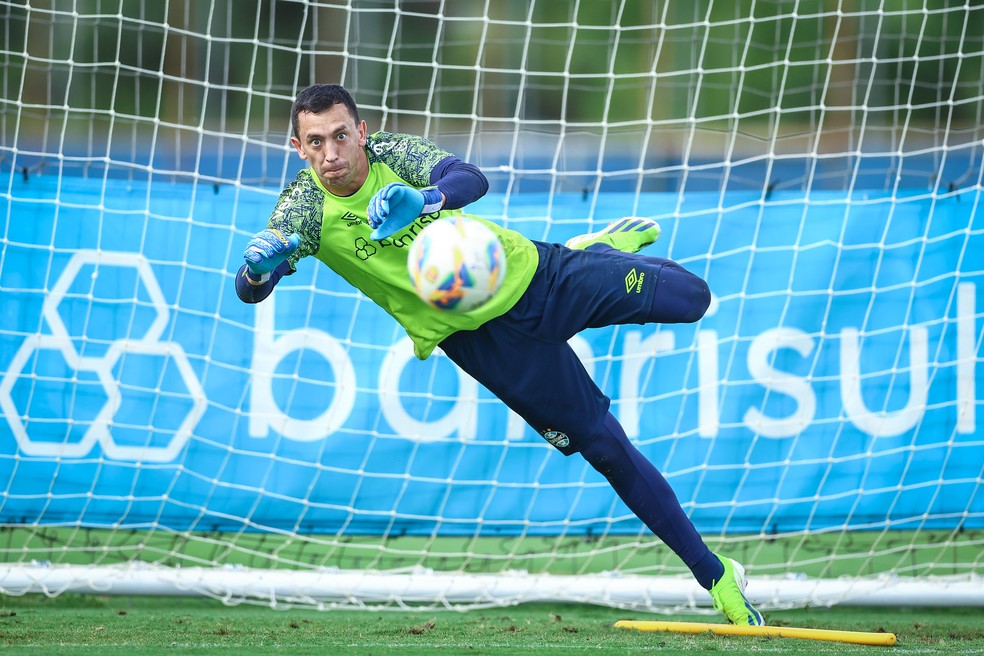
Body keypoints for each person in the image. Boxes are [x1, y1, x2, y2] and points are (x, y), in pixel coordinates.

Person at [235, 83, 764, 626]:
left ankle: (596, 253)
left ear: (361, 132)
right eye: (316, 142)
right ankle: (716, 575)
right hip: (484, 345)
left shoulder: (393, 154)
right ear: (298, 148)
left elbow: (470, 178)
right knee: (606, 448)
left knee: (692, 298)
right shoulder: (303, 206)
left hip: (533, 274)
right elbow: (253, 284)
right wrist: (258, 269)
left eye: (341, 136)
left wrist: (427, 199)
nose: (331, 154)